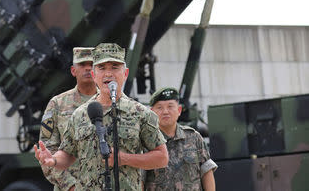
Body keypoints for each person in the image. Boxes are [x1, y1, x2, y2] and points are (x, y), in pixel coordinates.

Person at [35, 42, 168, 190]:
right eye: (102, 68)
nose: (108, 73)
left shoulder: (141, 113)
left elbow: (162, 157)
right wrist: (53, 160)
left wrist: (124, 159)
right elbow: (67, 154)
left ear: (125, 74)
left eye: (115, 67)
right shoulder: (79, 114)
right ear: (94, 75)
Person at [39, 47, 97, 191]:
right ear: (73, 71)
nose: (88, 69)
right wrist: (71, 186)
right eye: (82, 65)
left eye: (92, 65)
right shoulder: (57, 104)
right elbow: (48, 152)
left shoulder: (111, 102)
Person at [145, 87, 217, 191]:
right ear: (151, 112)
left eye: (170, 106)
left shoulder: (194, 137)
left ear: (179, 110)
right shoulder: (146, 141)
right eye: (160, 108)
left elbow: (206, 172)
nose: (165, 112)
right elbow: (140, 180)